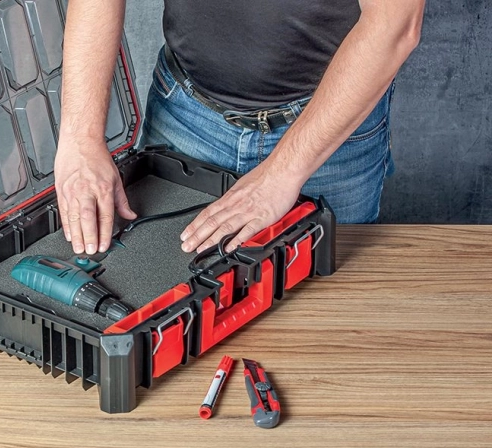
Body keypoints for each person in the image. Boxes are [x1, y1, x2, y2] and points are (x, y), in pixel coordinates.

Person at [53, 0, 425, 256]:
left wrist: (282, 173)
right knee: (158, 292)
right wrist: (81, 137)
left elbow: (394, 23)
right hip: (185, 112)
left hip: (329, 133)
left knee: (321, 314)